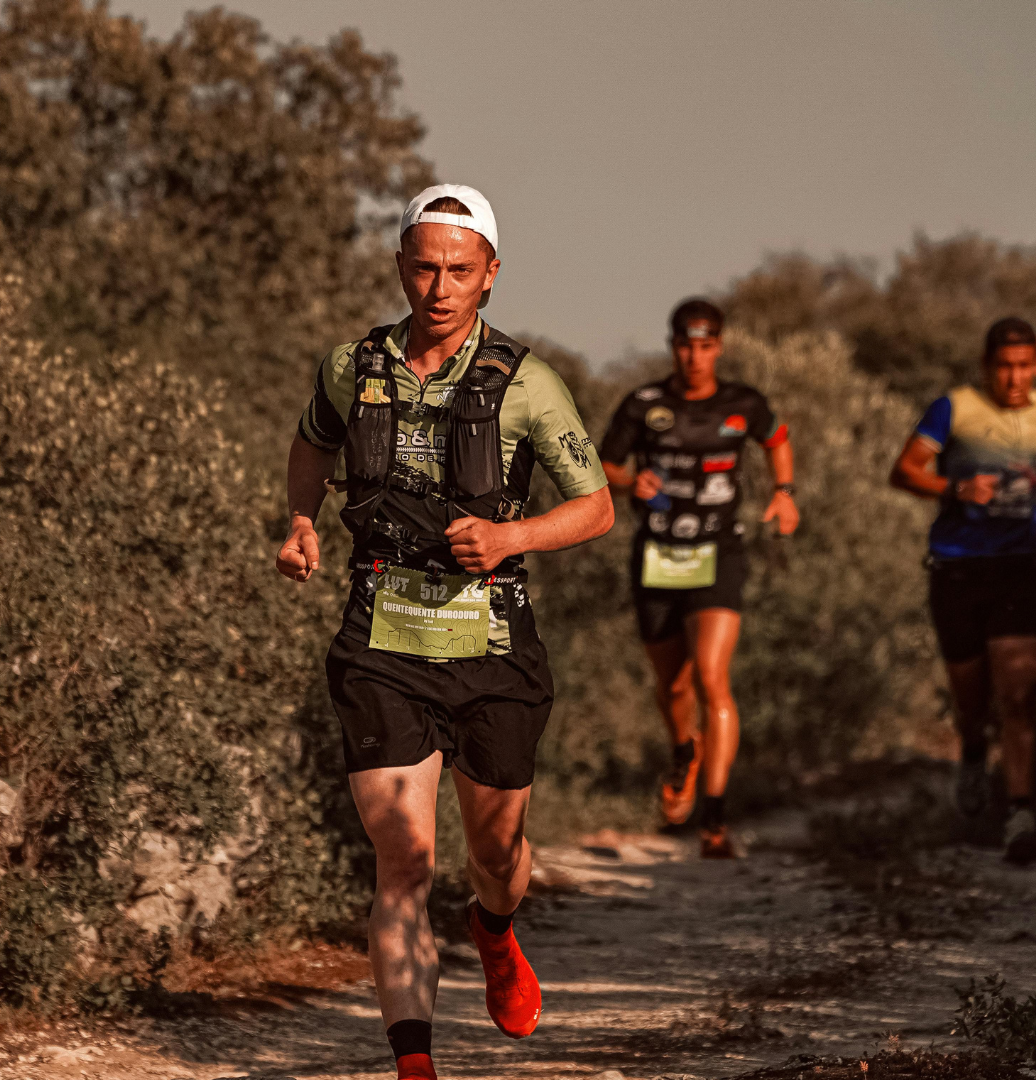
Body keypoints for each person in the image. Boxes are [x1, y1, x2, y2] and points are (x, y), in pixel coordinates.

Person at [274, 184, 613, 1080]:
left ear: (490, 274)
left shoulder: (529, 383)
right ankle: (415, 1065)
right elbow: (312, 444)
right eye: (424, 268)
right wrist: (302, 520)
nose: (440, 287)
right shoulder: (352, 367)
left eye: (460, 270)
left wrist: (509, 538)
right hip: (382, 638)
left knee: (496, 857)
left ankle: (495, 931)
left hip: (493, 646)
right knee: (406, 861)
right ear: (400, 266)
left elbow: (597, 507)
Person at [598, 299, 798, 859]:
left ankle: (714, 817)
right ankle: (684, 750)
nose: (695, 357)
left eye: (706, 347)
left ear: (720, 348)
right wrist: (628, 482)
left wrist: (785, 493)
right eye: (686, 346)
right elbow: (603, 464)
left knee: (712, 677)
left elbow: (777, 438)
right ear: (673, 347)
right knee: (674, 687)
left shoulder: (743, 403)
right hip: (657, 555)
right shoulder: (643, 404)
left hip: (719, 553)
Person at [887, 316, 1036, 866]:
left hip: (1018, 569)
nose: (1014, 378)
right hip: (956, 570)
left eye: (1024, 366)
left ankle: (1021, 817)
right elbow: (904, 471)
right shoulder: (955, 409)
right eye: (1004, 367)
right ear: (986, 367)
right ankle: (972, 749)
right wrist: (955, 488)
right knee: (971, 699)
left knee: (1019, 697)